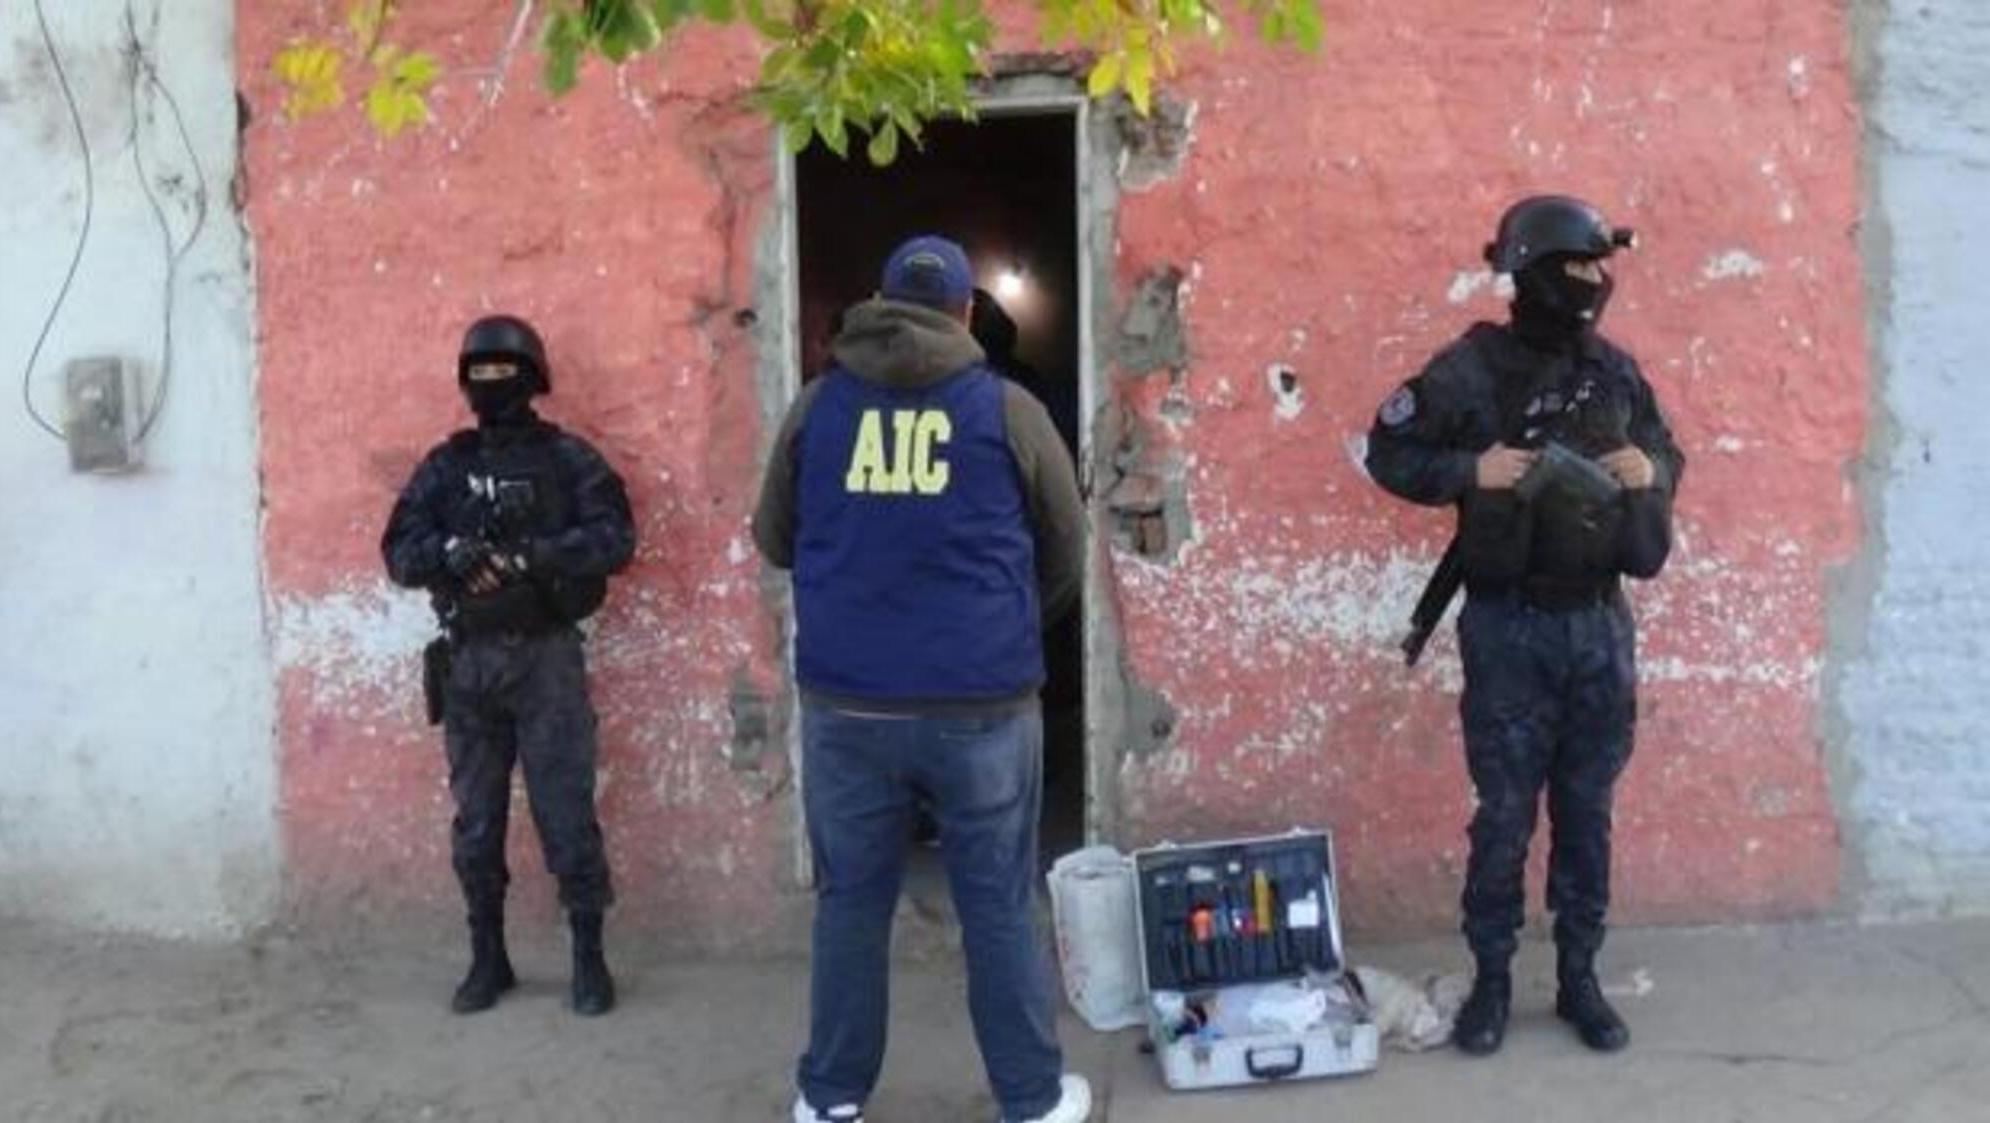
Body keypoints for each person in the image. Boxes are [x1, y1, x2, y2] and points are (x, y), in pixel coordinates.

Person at [754, 236, 1091, 1123]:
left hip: (847, 704)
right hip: (982, 703)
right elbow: (1066, 552)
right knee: (999, 905)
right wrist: (1006, 621)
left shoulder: (818, 407)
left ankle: (829, 1100)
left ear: (878, 303)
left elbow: (774, 539)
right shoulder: (1008, 409)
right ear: (967, 316)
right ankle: (1031, 1099)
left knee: (850, 906)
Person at [1365, 196, 1685, 1056]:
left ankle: (1579, 977)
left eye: (1598, 269)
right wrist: (1475, 467)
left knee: (1588, 812)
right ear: (1537, 272)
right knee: (1504, 815)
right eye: (1578, 268)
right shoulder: (1473, 370)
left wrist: (1648, 468)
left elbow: (1669, 453)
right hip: (1510, 628)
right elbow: (1388, 451)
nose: (1593, 283)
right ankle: (1494, 980)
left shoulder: (1615, 373)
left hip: (1596, 627)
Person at [381, 314, 636, 1016]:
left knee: (568, 815)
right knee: (476, 823)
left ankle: (589, 957)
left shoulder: (569, 460)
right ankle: (487, 958)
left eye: (505, 372)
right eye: (480, 373)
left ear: (534, 380)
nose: (492, 385)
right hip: (470, 665)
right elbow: (399, 550)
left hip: (547, 658)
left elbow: (616, 537)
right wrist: (450, 552)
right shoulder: (446, 465)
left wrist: (534, 557)